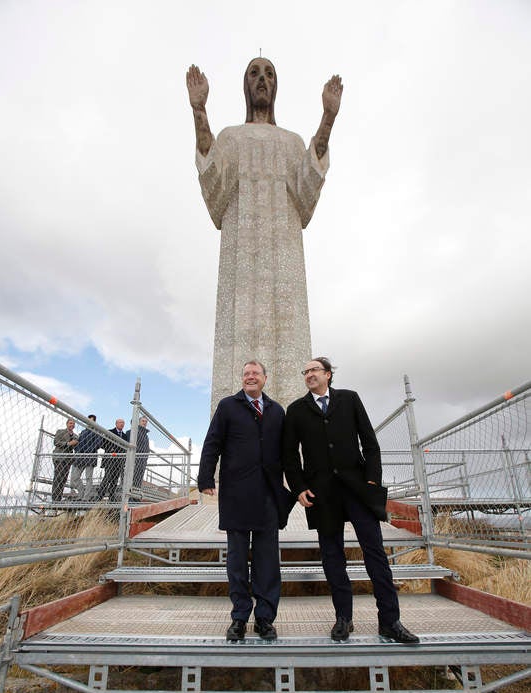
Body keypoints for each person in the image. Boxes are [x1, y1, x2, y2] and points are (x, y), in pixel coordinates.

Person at [186, 58, 343, 413]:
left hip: (284, 256)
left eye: (269, 74)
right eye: (254, 74)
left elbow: (307, 188)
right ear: (245, 85)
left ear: (276, 86)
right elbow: (214, 179)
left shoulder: (291, 142)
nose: (262, 80)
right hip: (238, 257)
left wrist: (328, 118)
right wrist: (199, 111)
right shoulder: (231, 137)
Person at [283, 357, 419, 644]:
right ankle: (343, 618)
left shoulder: (350, 399)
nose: (309, 375)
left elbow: (370, 442)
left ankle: (390, 621)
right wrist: (298, 488)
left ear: (328, 375)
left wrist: (372, 479)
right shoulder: (295, 410)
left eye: (314, 370)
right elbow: (289, 456)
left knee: (375, 554)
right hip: (322, 494)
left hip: (357, 489)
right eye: (305, 371)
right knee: (332, 557)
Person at [197, 360, 291, 642]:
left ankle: (265, 618)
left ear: (265, 378)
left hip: (268, 497)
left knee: (267, 561)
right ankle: (239, 617)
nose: (250, 377)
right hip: (236, 494)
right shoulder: (228, 406)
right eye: (246, 374)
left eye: (255, 373)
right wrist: (205, 479)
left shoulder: (277, 411)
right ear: (242, 379)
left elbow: (287, 452)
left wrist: (297, 487)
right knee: (237, 561)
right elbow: (212, 442)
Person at [70, 414, 102, 500]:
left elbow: (98, 444)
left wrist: (88, 451)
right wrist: (78, 450)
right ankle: (81, 494)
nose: (89, 422)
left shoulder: (97, 431)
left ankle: (86, 497)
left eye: (91, 421)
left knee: (88, 478)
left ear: (94, 422)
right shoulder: (83, 432)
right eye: (88, 421)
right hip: (80, 458)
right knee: (75, 478)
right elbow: (78, 444)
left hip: (90, 457)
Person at [97, 418, 127, 502]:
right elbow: (102, 443)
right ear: (116, 424)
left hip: (119, 461)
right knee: (107, 477)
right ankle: (100, 496)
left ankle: (111, 496)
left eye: (123, 423)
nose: (122, 424)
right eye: (120, 422)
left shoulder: (124, 436)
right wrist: (110, 449)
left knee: (115, 480)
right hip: (110, 459)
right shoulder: (109, 432)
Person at [51, 418, 78, 501]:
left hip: (67, 460)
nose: (72, 425)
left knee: (63, 479)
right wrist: (68, 444)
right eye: (70, 423)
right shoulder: (60, 431)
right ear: (67, 424)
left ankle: (59, 497)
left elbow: (74, 447)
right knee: (58, 477)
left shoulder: (75, 436)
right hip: (59, 457)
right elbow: (56, 442)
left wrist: (74, 444)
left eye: (73, 424)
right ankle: (55, 499)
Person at [126, 416, 150, 489]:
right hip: (134, 459)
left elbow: (147, 448)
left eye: (146, 422)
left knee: (139, 479)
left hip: (143, 460)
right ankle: (130, 497)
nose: (145, 423)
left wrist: (145, 458)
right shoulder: (131, 432)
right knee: (132, 478)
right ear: (138, 422)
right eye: (143, 421)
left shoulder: (145, 435)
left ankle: (136, 497)